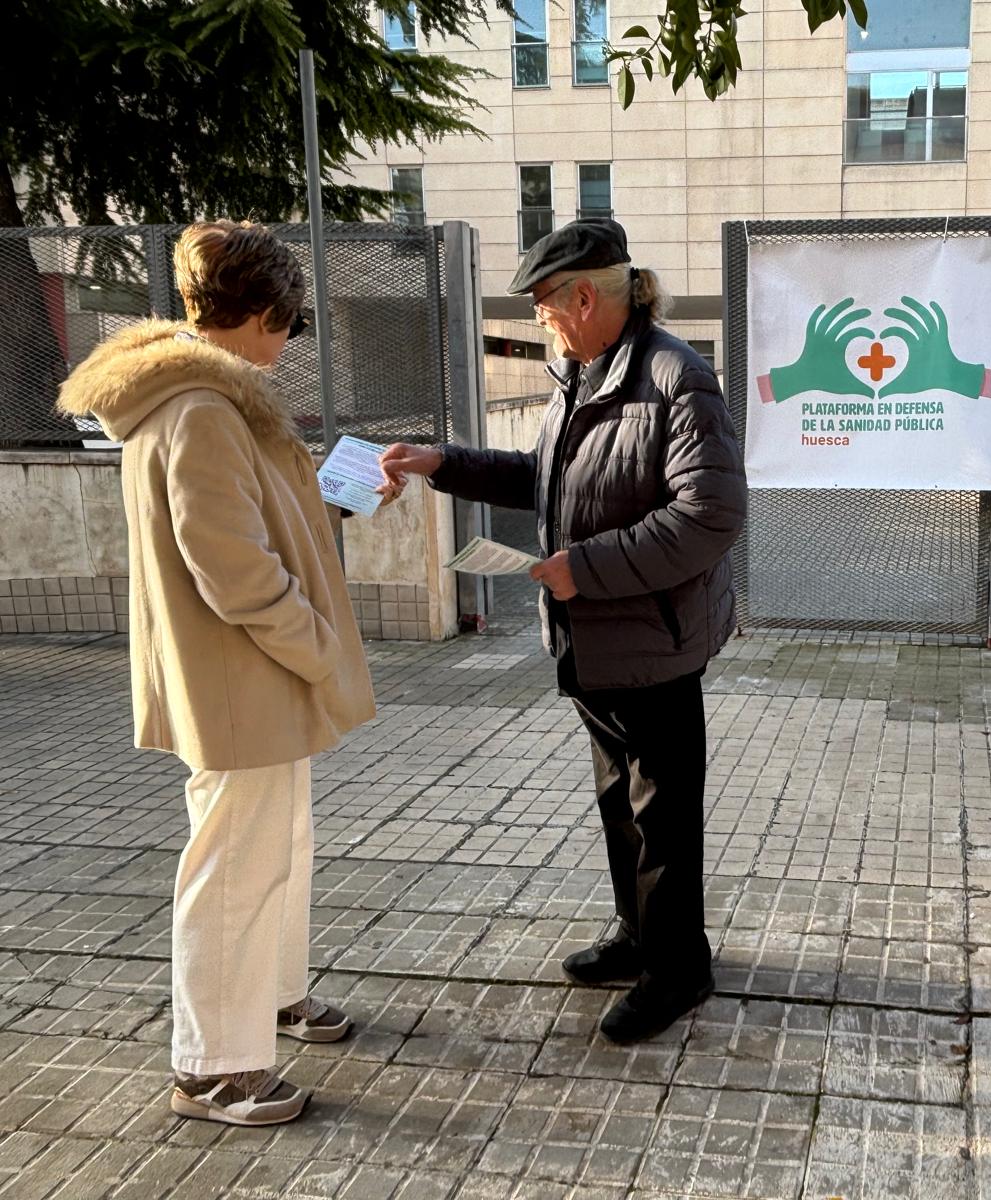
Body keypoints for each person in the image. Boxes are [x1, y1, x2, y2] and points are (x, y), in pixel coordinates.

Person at [379, 219, 746, 1042]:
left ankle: (678, 968)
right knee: (620, 802)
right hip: (594, 643)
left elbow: (711, 515)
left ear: (586, 296)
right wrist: (445, 463)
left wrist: (587, 567)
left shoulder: (673, 379)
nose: (539, 317)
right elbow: (543, 479)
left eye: (544, 302)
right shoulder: (582, 374)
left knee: (663, 817)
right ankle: (637, 937)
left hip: (651, 639)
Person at [57, 221, 377, 1126]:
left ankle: (272, 999)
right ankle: (214, 1068)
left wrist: (339, 500)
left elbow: (254, 526)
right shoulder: (201, 408)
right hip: (244, 677)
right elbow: (232, 569)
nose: (292, 339)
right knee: (235, 864)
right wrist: (317, 644)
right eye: (293, 321)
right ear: (262, 314)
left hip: (247, 675)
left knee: (274, 846)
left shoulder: (202, 399)